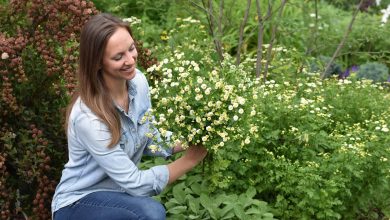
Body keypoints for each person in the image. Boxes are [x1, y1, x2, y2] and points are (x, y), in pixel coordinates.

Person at [51, 13, 207, 220]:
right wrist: (190, 159)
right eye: (118, 57)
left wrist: (194, 139)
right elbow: (136, 184)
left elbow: (146, 134)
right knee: (150, 212)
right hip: (78, 203)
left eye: (131, 48)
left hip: (119, 197)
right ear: (97, 63)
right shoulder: (89, 118)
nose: (130, 60)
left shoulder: (138, 82)